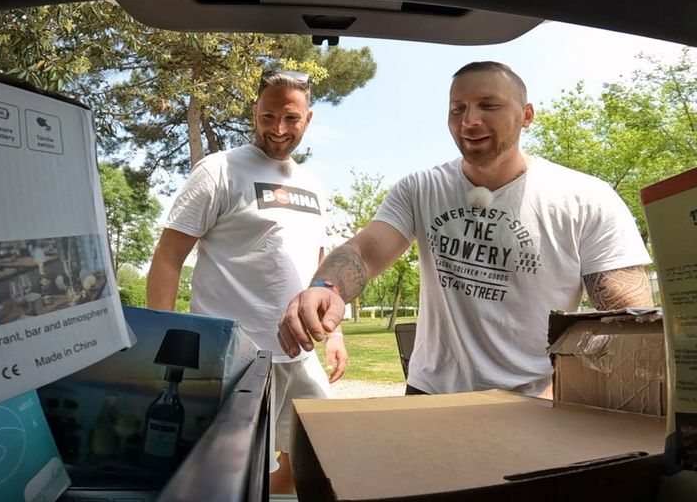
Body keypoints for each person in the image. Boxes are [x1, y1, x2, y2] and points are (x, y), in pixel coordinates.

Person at [277, 60, 654, 399]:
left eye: (488, 105)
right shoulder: (421, 188)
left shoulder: (586, 198)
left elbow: (629, 321)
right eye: (458, 108)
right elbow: (366, 249)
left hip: (540, 397)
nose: (469, 120)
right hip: (430, 394)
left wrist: (563, 391)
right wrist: (325, 287)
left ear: (526, 115)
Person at [146, 69, 347, 494]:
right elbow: (167, 257)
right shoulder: (218, 170)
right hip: (236, 355)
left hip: (301, 349)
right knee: (227, 474)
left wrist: (335, 331)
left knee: (303, 468)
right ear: (255, 112)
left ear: (307, 120)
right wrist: (160, 338)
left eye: (291, 119)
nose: (278, 129)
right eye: (268, 116)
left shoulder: (313, 185)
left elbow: (319, 264)